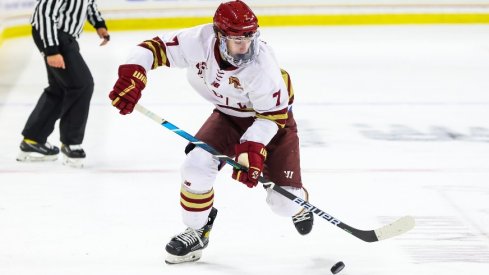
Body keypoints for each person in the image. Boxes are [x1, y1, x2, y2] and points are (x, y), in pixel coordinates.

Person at [109, 0, 314, 264]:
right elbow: (152, 49)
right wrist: (132, 75)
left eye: (250, 38)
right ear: (219, 36)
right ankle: (197, 230)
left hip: (271, 123)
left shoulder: (263, 68)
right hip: (228, 117)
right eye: (237, 40)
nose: (245, 46)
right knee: (195, 166)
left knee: (283, 204)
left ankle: (300, 201)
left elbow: (272, 117)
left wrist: (251, 149)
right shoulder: (199, 40)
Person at [17, 0, 110, 168]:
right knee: (81, 85)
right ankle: (71, 143)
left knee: (59, 89)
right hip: (53, 34)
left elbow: (89, 4)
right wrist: (52, 50)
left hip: (64, 36)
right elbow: (44, 13)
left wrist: (99, 23)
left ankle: (33, 140)